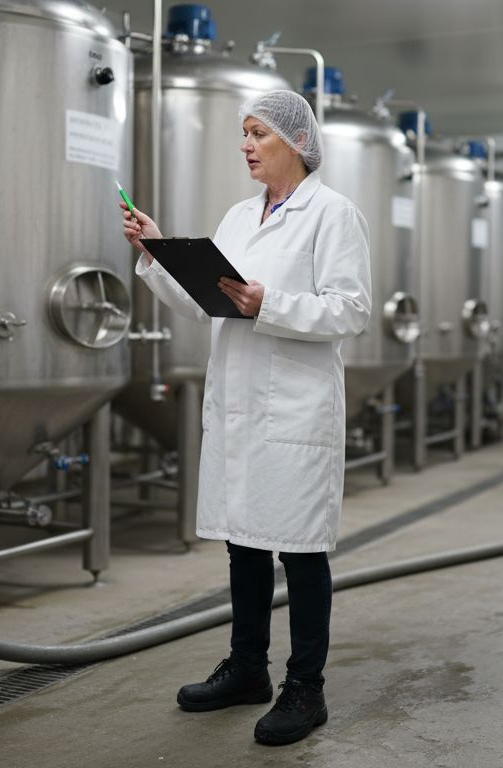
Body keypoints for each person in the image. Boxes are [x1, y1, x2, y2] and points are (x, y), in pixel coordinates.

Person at [121, 89, 371, 746]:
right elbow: (207, 299)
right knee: (246, 540)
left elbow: (351, 310)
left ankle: (305, 687)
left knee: (302, 547)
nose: (246, 145)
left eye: (257, 133)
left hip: (294, 406)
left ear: (296, 141)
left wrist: (271, 303)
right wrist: (155, 253)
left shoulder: (332, 214)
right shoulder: (238, 216)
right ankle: (247, 669)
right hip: (239, 402)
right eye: (244, 133)